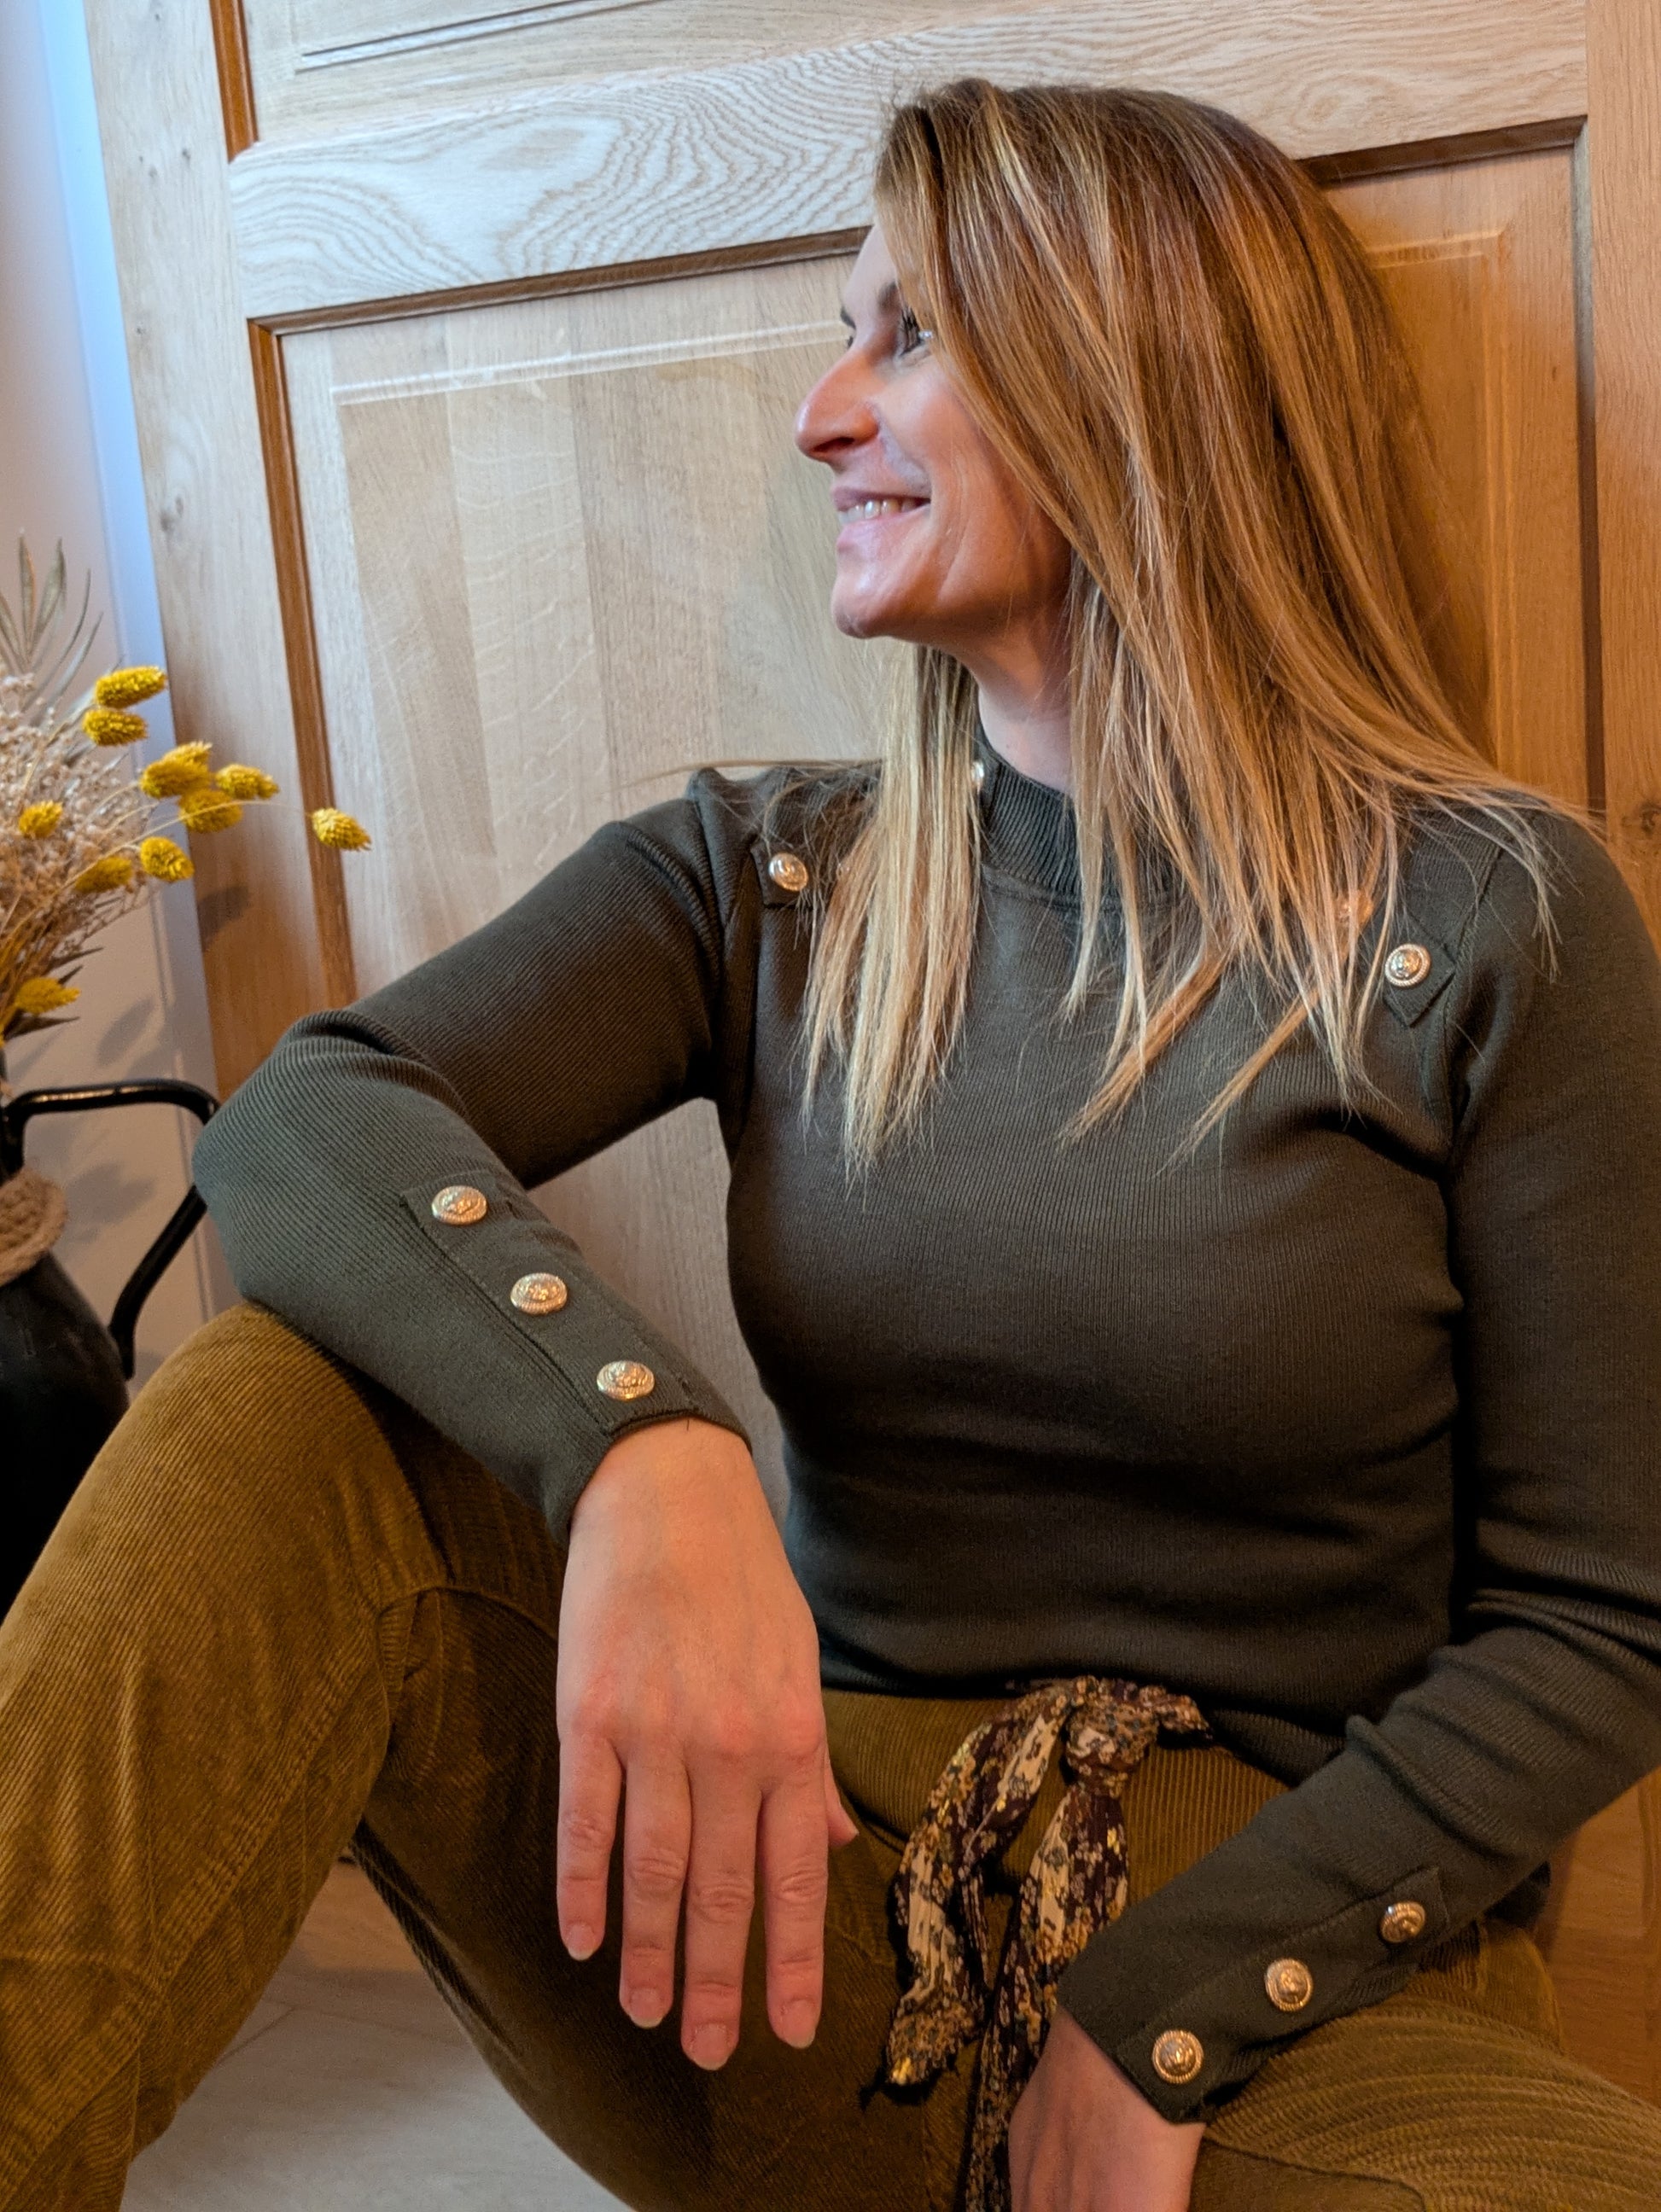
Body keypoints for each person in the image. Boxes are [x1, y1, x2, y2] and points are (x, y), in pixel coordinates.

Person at [2, 78, 1658, 2212]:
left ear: (1137, 379)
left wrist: (1165, 2013)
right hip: (779, 1905)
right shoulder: (766, 879)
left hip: (1294, 1971)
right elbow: (304, 1124)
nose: (818, 416)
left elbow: (1602, 1617)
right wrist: (634, 1440)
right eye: (840, 335)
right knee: (272, 1412)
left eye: (908, 333)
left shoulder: (1494, 919)